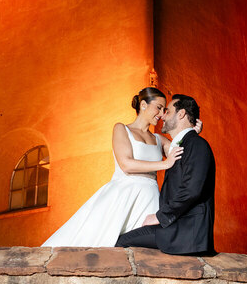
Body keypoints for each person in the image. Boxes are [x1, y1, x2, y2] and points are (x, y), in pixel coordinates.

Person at [41, 87, 185, 247]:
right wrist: (164, 164)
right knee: (99, 241)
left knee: (145, 247)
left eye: (164, 109)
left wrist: (191, 130)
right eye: (158, 107)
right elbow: (126, 164)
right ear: (143, 104)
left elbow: (182, 151)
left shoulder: (159, 139)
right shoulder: (122, 129)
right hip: (123, 194)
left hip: (150, 197)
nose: (161, 114)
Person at [115, 94, 215, 255]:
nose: (162, 115)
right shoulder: (188, 144)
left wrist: (160, 217)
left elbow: (191, 190)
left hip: (184, 232)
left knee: (120, 244)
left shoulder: (197, 144)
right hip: (175, 228)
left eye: (167, 111)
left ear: (181, 114)